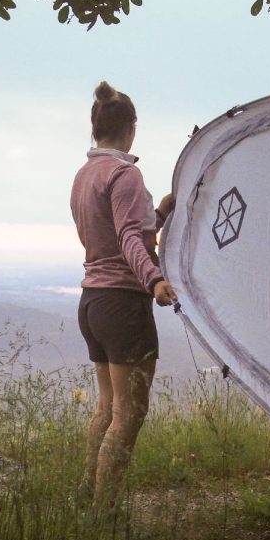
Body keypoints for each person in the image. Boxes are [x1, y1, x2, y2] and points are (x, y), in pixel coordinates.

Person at [70, 81, 177, 506]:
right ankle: (105, 515)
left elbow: (116, 233)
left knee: (107, 406)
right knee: (129, 414)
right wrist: (154, 279)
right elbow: (131, 238)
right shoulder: (125, 173)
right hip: (123, 304)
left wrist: (163, 212)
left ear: (95, 129)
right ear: (131, 128)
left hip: (93, 302)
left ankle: (86, 494)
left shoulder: (85, 175)